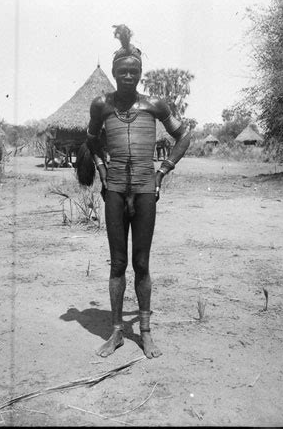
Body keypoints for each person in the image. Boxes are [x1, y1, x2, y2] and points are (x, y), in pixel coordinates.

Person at [76, 25, 191, 358]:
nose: (128, 76)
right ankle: (115, 333)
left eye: (134, 71)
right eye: (123, 71)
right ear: (114, 73)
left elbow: (183, 137)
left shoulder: (155, 105)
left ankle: (145, 332)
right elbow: (92, 140)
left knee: (141, 263)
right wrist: (101, 172)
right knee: (117, 264)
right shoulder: (101, 105)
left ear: (140, 74)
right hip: (114, 191)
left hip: (144, 190)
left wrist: (162, 172)